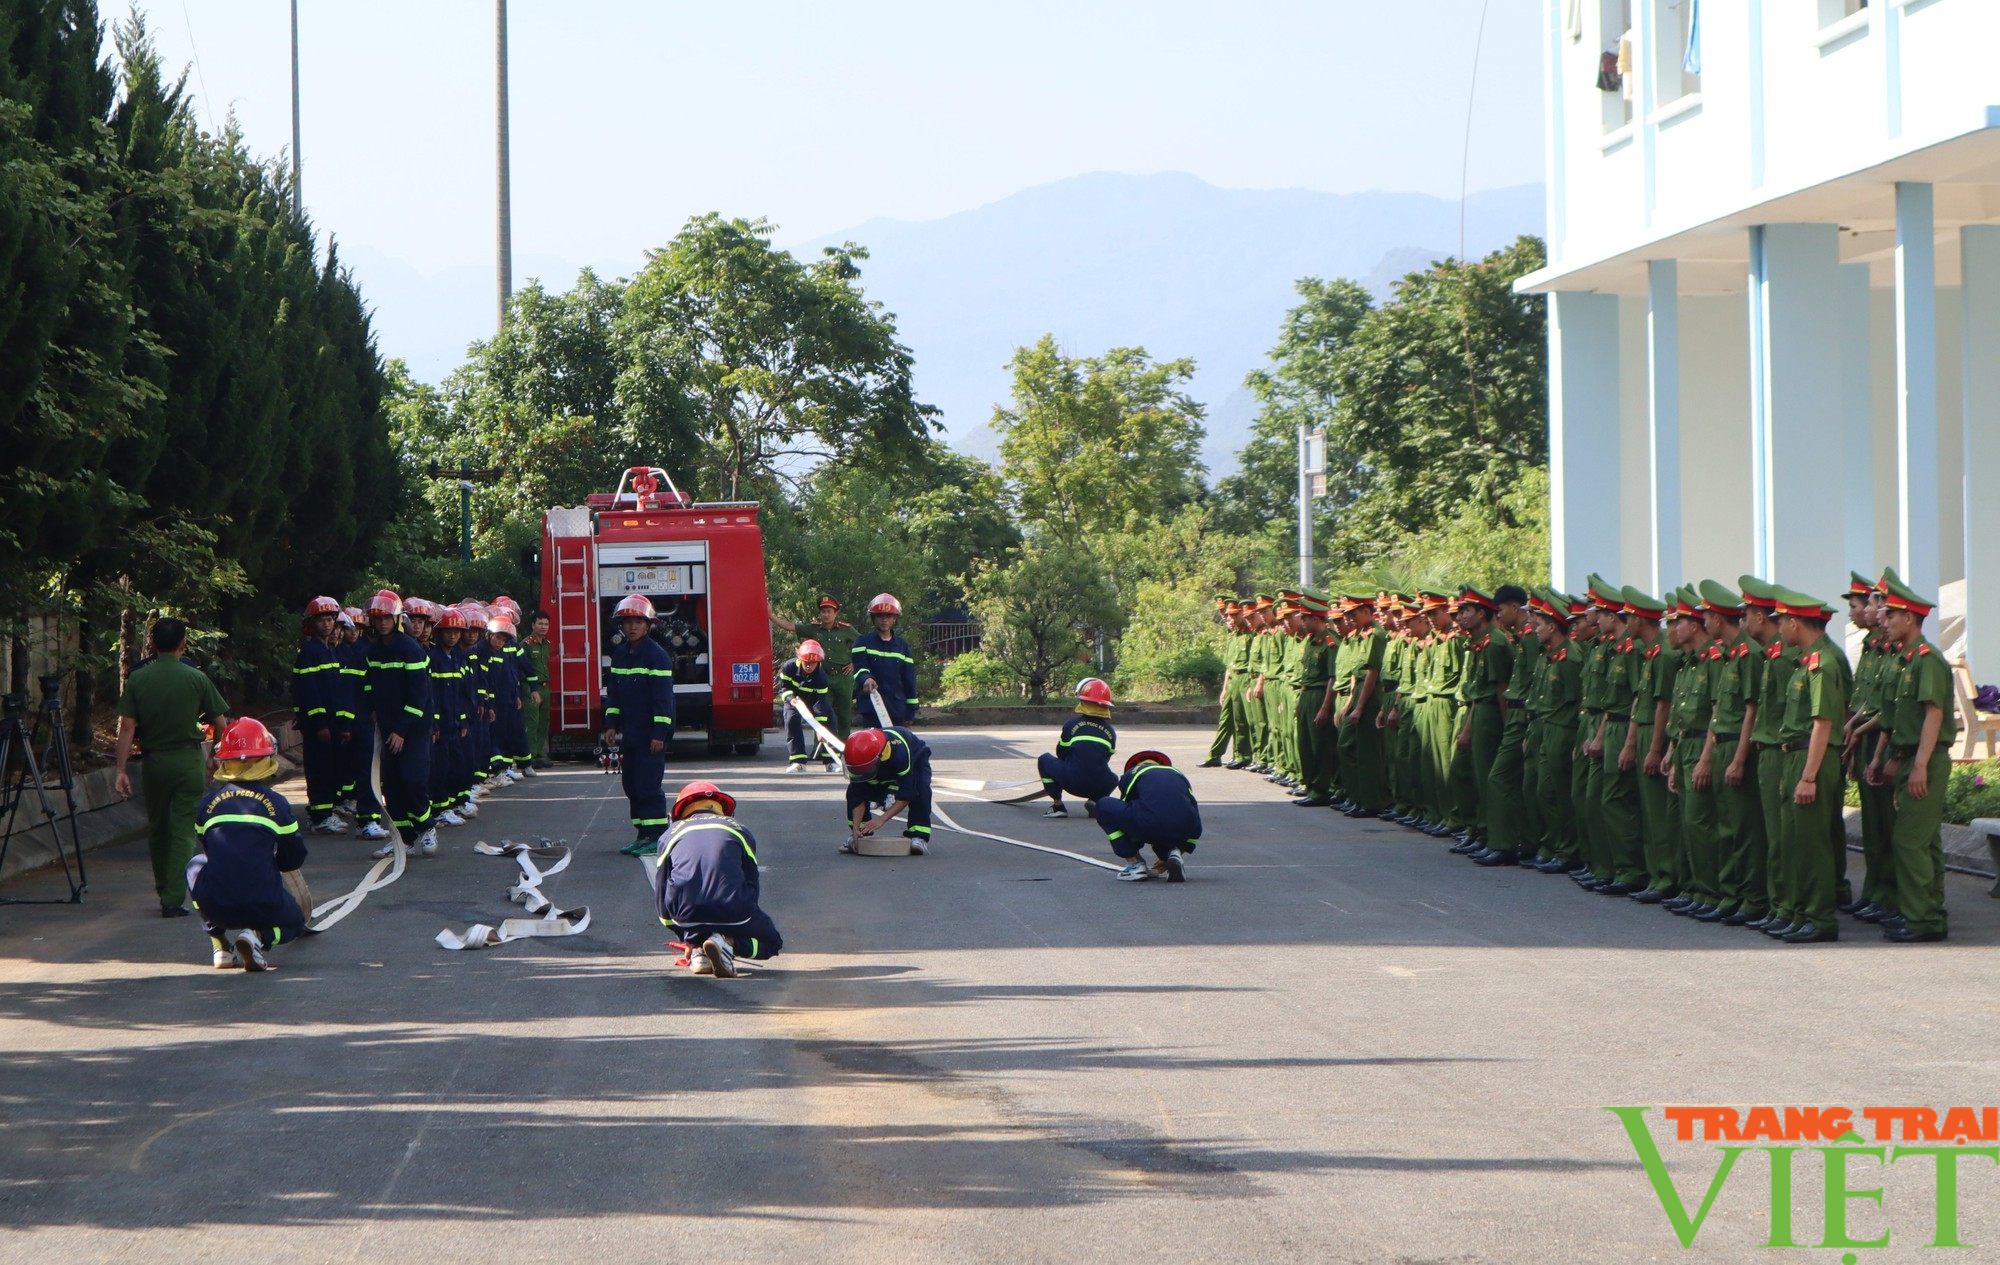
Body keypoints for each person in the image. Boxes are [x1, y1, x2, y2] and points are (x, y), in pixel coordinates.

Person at [114, 618, 231, 918]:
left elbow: (127, 726)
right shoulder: (196, 677)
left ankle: (163, 886)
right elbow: (221, 723)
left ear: (152, 644)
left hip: (154, 762)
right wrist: (214, 755)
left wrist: (121, 770)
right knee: (182, 830)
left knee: (158, 827)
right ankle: (173, 897)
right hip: (188, 760)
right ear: (184, 645)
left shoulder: (139, 679)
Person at [1866, 571, 1953, 942]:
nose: (1882, 621)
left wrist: (1918, 766)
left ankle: (1923, 919)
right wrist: (1895, 759)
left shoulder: (1925, 659)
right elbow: (1903, 719)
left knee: (1910, 840)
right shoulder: (1906, 660)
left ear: (1910, 619)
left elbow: (1933, 714)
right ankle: (1926, 911)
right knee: (1923, 839)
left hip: (1927, 759)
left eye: (1890, 615)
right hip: (1911, 756)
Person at [186, 718, 308, 971]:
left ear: (225, 760)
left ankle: (220, 945)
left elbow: (210, 849)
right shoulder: (276, 804)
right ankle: (258, 938)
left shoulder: (208, 804)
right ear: (267, 758)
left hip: (217, 907)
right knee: (295, 923)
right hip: (264, 903)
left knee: (195, 865)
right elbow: (293, 857)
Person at [1767, 587, 1849, 944]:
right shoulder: (1806, 661)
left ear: (1796, 622)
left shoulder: (1822, 663)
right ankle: (1802, 913)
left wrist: (1809, 776)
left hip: (1811, 757)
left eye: (1782, 622)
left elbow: (1823, 722)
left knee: (1813, 843)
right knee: (1796, 841)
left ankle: (1819, 919)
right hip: (1795, 754)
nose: (1779, 630)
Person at [652, 781, 782, 977]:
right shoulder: (740, 830)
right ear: (722, 809)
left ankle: (698, 951)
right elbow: (752, 883)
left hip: (685, 916)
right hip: (735, 911)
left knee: (697, 927)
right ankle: (728, 944)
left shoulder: (668, 835)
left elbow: (662, 892)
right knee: (772, 942)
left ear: (681, 811)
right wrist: (743, 917)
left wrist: (688, 937)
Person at [362, 589, 436, 859]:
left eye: (386, 618)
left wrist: (402, 730)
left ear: (396, 618)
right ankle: (404, 838)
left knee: (412, 779)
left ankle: (427, 827)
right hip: (388, 727)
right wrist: (372, 709)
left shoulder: (410, 649)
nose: (382, 623)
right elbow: (370, 684)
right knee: (391, 785)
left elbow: (419, 695)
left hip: (413, 728)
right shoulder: (374, 651)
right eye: (377, 618)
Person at [603, 594, 677, 855]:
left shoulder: (657, 657)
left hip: (650, 735)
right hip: (631, 734)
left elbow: (662, 701)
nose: (632, 627)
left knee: (648, 785)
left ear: (648, 625)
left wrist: (659, 733)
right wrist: (611, 724)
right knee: (631, 785)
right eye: (627, 622)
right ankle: (643, 833)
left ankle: (657, 835)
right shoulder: (621, 656)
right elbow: (613, 694)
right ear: (621, 626)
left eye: (638, 622)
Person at [1096, 750, 1202, 883]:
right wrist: (1184, 847)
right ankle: (1173, 853)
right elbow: (1193, 811)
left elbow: (1127, 807)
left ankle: (1135, 865)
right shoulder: (1178, 774)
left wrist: (1134, 844)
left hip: (1150, 824)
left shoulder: (1133, 773)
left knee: (1104, 805)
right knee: (1164, 816)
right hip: (1185, 828)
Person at [292, 596, 348, 835]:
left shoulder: (329, 651)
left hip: (332, 724)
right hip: (319, 727)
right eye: (321, 620)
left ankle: (326, 811)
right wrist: (320, 723)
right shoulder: (309, 652)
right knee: (319, 770)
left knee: (331, 768)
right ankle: (320, 816)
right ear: (311, 623)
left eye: (330, 619)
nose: (326, 624)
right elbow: (308, 692)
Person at [334, 607, 390, 841]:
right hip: (364, 720)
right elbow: (352, 691)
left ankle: (375, 816)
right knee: (368, 771)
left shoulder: (390, 650)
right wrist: (349, 722)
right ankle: (367, 820)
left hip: (382, 720)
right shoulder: (362, 654)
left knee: (381, 771)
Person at [772, 596, 857, 737]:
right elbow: (790, 627)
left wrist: (854, 663)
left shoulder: (846, 630)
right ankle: (820, 748)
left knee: (844, 715)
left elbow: (862, 643)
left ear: (835, 613)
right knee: (821, 713)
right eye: (823, 611)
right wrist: (771, 616)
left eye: (829, 611)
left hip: (843, 677)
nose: (826, 615)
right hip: (822, 677)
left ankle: (843, 747)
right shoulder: (813, 629)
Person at [842, 726, 933, 855]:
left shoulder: (899, 754)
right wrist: (856, 828)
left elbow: (907, 793)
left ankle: (918, 836)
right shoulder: (856, 754)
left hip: (915, 756)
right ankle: (860, 835)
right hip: (876, 761)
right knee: (854, 791)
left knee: (920, 790)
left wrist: (882, 819)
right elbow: (857, 795)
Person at [1036, 678, 1119, 818]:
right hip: (1099, 785)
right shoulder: (1110, 732)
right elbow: (1105, 758)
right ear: (1106, 707)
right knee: (1114, 778)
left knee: (1044, 759)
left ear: (1083, 702)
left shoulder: (1071, 725)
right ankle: (1095, 800)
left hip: (1071, 781)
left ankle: (1058, 806)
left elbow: (1061, 753)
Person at [428, 606, 474, 827]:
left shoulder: (455, 658)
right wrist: (435, 723)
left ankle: (453, 803)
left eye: (457, 632)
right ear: (439, 633)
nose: (453, 635)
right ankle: (440, 808)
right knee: (440, 769)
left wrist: (462, 720)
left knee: (456, 766)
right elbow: (433, 695)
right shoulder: (435, 658)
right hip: (440, 726)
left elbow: (460, 694)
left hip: (454, 724)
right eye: (448, 631)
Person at [851, 593, 919, 726]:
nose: (884, 619)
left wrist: (911, 708)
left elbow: (909, 679)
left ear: (894, 619)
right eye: (880, 615)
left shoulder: (902, 647)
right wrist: (866, 679)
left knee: (896, 746)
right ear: (873, 618)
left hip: (896, 709)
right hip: (871, 708)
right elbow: (860, 667)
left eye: (888, 616)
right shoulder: (862, 642)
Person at [1201, 597, 1252, 769]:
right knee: (1227, 719)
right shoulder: (1232, 636)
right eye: (1224, 613)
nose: (1226, 617)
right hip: (1232, 681)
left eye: (1230, 614)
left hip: (1245, 679)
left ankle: (1242, 755)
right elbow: (1229, 666)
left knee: (1241, 720)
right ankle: (1215, 755)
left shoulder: (1250, 634)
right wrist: (1224, 689)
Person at [776, 639, 838, 772]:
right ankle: (798, 761)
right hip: (794, 701)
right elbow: (783, 689)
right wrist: (791, 699)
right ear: (800, 659)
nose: (809, 666)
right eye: (806, 662)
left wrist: (820, 729)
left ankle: (831, 762)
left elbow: (819, 702)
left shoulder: (821, 677)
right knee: (791, 719)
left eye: (813, 663)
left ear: (819, 662)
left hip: (813, 700)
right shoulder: (788, 667)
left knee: (830, 722)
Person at [521, 610, 553, 769]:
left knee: (543, 723)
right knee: (532, 723)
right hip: (531, 688)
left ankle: (539, 755)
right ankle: (529, 756)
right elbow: (521, 668)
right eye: (540, 623)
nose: (543, 627)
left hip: (545, 688)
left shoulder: (547, 645)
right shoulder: (526, 644)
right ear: (533, 625)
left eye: (546, 624)